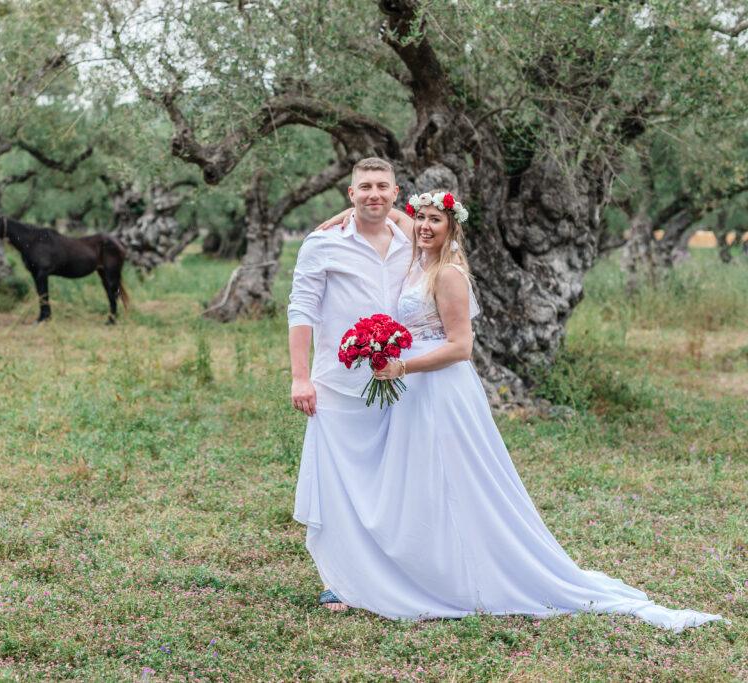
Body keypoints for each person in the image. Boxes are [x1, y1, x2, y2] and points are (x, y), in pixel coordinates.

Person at [302, 189, 726, 631]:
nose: (424, 225)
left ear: (453, 227)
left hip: (440, 388)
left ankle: (465, 572)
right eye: (421, 218)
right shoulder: (419, 255)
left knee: (453, 477)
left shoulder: (447, 273)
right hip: (413, 390)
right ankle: (427, 563)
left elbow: (461, 347)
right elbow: (386, 209)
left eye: (435, 220)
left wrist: (401, 365)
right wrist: (345, 215)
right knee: (418, 480)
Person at [287, 157, 411, 612]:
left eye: (382, 186)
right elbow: (301, 309)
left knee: (393, 480)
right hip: (337, 385)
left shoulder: (412, 242)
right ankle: (338, 580)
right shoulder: (321, 244)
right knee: (338, 483)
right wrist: (301, 377)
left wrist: (402, 220)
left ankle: (390, 570)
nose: (373, 194)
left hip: (400, 382)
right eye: (365, 187)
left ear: (396, 193)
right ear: (350, 194)